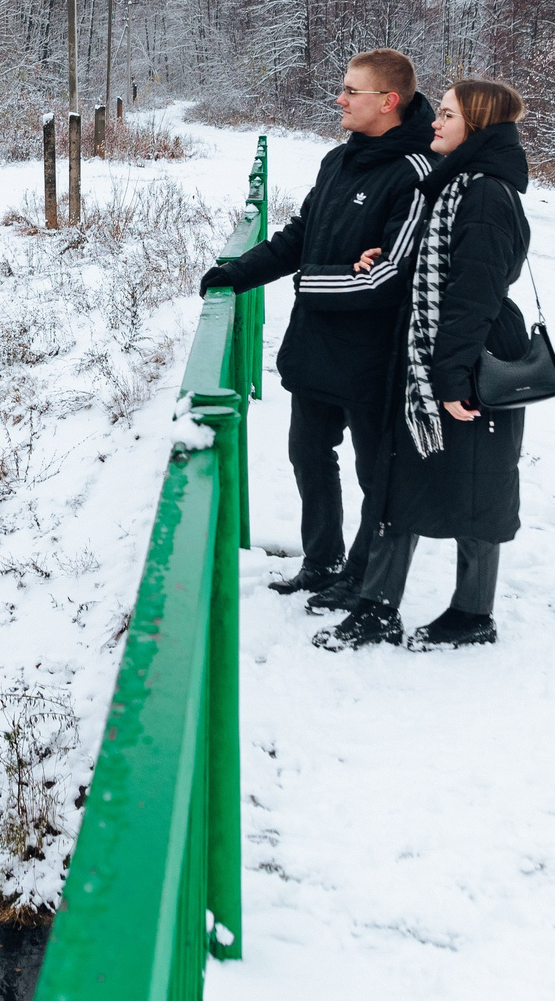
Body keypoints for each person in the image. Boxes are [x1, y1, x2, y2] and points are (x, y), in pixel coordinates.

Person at [198, 49, 436, 601]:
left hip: (375, 359)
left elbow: (389, 279)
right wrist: (237, 274)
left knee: (376, 477)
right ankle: (322, 562)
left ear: (388, 101)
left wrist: (309, 283)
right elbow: (300, 234)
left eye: (352, 91)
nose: (340, 99)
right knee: (308, 455)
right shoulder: (338, 160)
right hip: (315, 352)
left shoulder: (417, 174)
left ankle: (364, 577)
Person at [316, 76, 534, 651]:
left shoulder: (485, 192)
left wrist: (454, 376)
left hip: (470, 354)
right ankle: (377, 607)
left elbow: (475, 291)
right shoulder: (458, 184)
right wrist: (391, 256)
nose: (434, 122)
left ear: (477, 129)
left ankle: (472, 614)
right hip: (436, 349)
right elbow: (445, 265)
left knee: (478, 486)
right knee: (401, 475)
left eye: (447, 116)